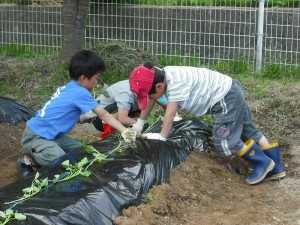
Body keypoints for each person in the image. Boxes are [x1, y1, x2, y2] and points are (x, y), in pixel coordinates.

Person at [129, 62, 286, 185]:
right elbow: (151, 98)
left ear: (159, 86)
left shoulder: (175, 83)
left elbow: (170, 114)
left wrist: (162, 136)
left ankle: (263, 162)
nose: (151, 98)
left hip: (224, 98)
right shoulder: (163, 74)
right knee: (248, 129)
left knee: (225, 141)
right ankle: (277, 167)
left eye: (151, 94)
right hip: (230, 88)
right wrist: (139, 124)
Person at [16, 50, 136, 177]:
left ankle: (45, 154)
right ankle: (28, 161)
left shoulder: (70, 87)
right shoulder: (80, 93)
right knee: (61, 160)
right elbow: (104, 115)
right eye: (96, 78)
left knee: (82, 152)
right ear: (83, 78)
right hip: (36, 136)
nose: (96, 82)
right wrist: (124, 131)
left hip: (52, 135)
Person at [79, 79, 182, 139]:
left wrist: (176, 118)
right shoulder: (126, 94)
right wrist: (141, 124)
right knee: (139, 115)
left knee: (144, 108)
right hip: (101, 119)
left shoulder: (148, 88)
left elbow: (166, 104)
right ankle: (120, 130)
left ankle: (130, 128)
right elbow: (123, 118)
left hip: (124, 111)